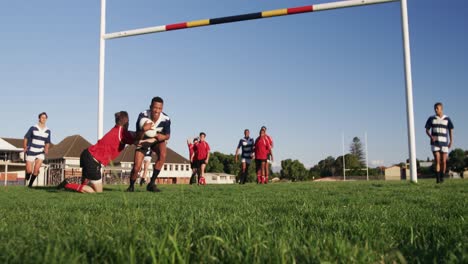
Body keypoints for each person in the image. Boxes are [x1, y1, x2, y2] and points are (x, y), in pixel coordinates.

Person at [57, 111, 141, 193]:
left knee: (86, 182)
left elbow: (133, 134)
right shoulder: (122, 133)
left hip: (88, 154)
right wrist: (148, 133)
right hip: (92, 160)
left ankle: (72, 185)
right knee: (97, 191)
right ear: (126, 122)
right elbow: (138, 142)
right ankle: (67, 184)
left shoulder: (117, 129)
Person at [127, 96, 171, 192]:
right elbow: (138, 136)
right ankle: (131, 186)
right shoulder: (143, 116)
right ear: (150, 106)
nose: (157, 111)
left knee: (163, 155)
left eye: (159, 108)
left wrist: (162, 137)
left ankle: (151, 184)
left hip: (156, 140)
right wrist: (143, 129)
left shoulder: (166, 119)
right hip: (143, 141)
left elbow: (167, 135)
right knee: (137, 167)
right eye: (155, 108)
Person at [425, 102, 454, 183]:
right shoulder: (431, 118)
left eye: (437, 108)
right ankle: (437, 179)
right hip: (435, 143)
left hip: (444, 143)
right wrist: (431, 136)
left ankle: (442, 177)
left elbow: (451, 130)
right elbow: (426, 130)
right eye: (435, 108)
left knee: (444, 161)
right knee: (437, 160)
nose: (436, 110)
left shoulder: (447, 119)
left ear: (441, 109)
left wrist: (451, 141)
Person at [23, 112, 51, 188]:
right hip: (31, 150)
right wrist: (25, 147)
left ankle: (30, 185)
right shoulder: (33, 128)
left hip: (40, 152)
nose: (44, 119)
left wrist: (46, 148)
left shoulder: (48, 130)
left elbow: (47, 142)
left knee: (36, 170)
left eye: (45, 118)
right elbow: (26, 138)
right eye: (42, 117)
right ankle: (28, 174)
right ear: (39, 118)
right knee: (29, 170)